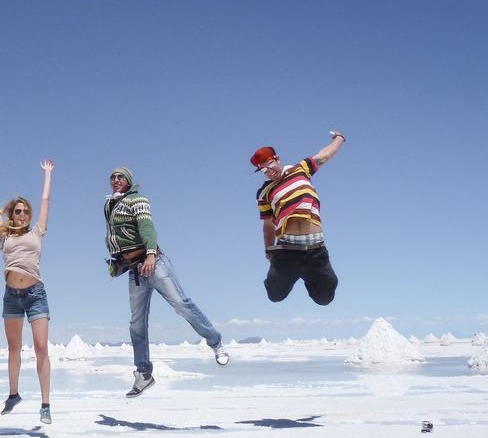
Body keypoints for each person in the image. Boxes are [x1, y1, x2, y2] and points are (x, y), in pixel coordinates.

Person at [105, 166, 228, 398]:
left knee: (180, 304)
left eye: (121, 176)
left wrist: (151, 253)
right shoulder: (110, 205)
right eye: (112, 177)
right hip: (134, 270)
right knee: (136, 324)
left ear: (129, 180)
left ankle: (215, 342)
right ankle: (144, 374)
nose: (116, 179)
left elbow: (146, 226)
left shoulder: (137, 199)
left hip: (154, 263)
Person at [0, 160, 54, 424]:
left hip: (35, 294)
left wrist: (47, 174)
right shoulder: (4, 236)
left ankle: (45, 405)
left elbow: (45, 200)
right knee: (13, 349)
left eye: (25, 212)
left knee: (41, 348)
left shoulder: (37, 232)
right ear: (12, 215)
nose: (21, 215)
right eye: (18, 211)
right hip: (11, 295)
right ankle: (13, 395)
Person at [250, 131, 346, 306]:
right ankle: (283, 273)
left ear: (277, 159)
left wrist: (340, 138)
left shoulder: (300, 169)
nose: (268, 171)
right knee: (275, 295)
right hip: (287, 250)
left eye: (269, 164)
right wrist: (269, 250)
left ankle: (308, 275)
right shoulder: (264, 193)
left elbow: (323, 156)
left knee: (325, 297)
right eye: (263, 170)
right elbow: (268, 225)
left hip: (315, 250)